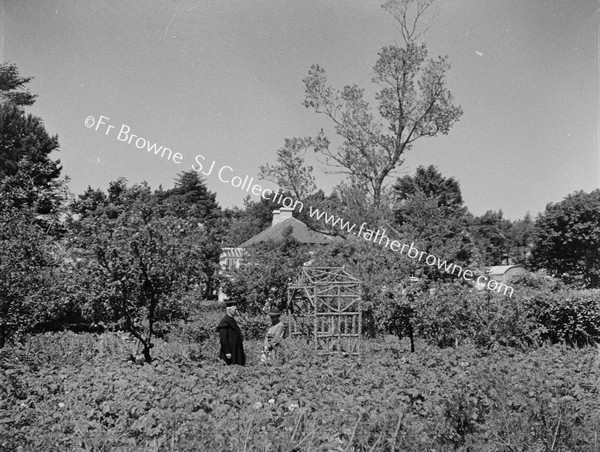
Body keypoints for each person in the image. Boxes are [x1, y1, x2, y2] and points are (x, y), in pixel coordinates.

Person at [216, 300, 245, 366]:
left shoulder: (232, 320)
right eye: (234, 310)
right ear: (229, 310)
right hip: (230, 352)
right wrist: (227, 352)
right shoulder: (224, 322)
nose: (236, 311)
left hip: (236, 350)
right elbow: (223, 339)